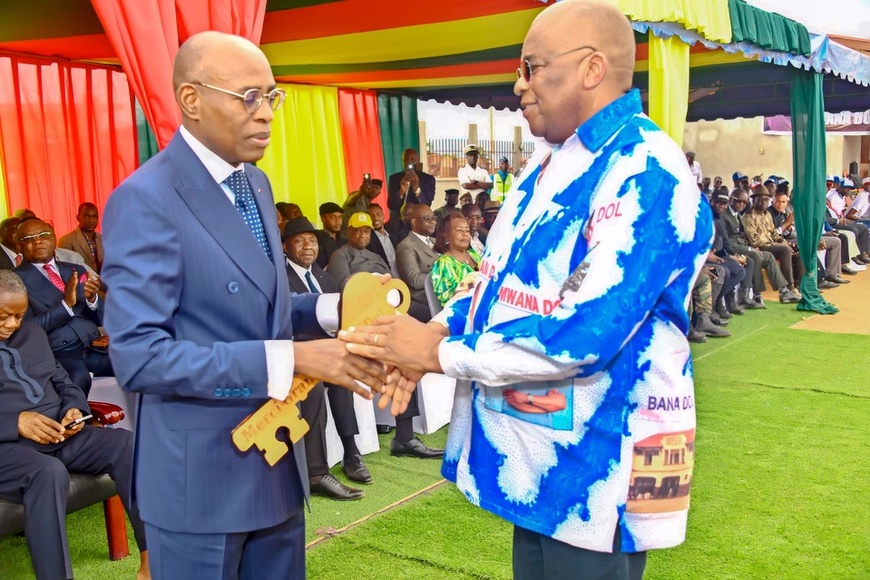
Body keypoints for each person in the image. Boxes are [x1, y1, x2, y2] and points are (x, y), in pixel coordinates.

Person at [340, 1, 712, 577]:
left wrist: (433, 353)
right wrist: (437, 328)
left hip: (597, 466)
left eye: (531, 67)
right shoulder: (549, 164)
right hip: (533, 456)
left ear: (591, 69)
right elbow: (494, 280)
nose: (518, 85)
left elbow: (583, 332)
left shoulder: (645, 170)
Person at [100, 31, 396, 580]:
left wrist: (335, 310)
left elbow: (262, 306)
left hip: (274, 463)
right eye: (249, 97)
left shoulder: (254, 183)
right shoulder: (145, 199)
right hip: (200, 484)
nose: (267, 114)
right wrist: (295, 360)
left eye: (272, 96)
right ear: (191, 100)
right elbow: (141, 357)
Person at [0, 270, 149, 580]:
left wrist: (74, 409)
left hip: (59, 435)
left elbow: (63, 381)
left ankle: (151, 561)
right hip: (9, 449)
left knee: (127, 444)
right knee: (47, 472)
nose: (12, 325)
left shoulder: (33, 335)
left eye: (18, 315)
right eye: (3, 317)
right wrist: (15, 422)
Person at [281, 217, 370, 498]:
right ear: (285, 246)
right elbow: (286, 323)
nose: (308, 247)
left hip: (332, 349)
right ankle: (317, 472)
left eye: (313, 241)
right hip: (300, 355)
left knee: (342, 374)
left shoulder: (323, 276)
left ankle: (351, 452)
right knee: (319, 382)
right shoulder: (278, 277)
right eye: (300, 241)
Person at [14, 218, 111, 396]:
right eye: (29, 238)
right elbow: (28, 329)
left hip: (93, 346)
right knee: (78, 377)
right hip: (58, 353)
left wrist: (92, 299)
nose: (37, 241)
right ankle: (77, 422)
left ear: (54, 238)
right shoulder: (15, 281)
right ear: (19, 246)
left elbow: (102, 318)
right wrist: (65, 305)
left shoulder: (75, 269)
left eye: (43, 235)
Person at [326, 212, 389, 289]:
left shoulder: (376, 257)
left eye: (366, 232)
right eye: (358, 231)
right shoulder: (340, 256)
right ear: (348, 232)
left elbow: (394, 280)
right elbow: (344, 289)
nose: (363, 235)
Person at [430, 212, 481, 306]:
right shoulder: (443, 263)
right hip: (465, 312)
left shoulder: (473, 254)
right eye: (459, 230)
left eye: (467, 231)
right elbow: (450, 299)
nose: (465, 234)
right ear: (445, 235)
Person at [387, 148, 437, 224]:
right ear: (402, 161)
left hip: (419, 222)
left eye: (412, 160)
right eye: (406, 160)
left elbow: (427, 204)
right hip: (398, 223)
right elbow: (391, 205)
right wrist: (401, 192)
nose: (409, 162)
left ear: (418, 161)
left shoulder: (428, 179)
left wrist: (416, 189)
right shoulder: (394, 178)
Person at [58, 202, 104, 273]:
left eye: (94, 216)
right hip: (81, 282)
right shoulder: (66, 241)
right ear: (78, 217)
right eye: (87, 216)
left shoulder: (102, 238)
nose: (91, 220)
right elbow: (67, 270)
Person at [315, 201, 346, 268]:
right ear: (322, 219)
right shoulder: (318, 241)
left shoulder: (344, 240)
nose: (337, 221)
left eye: (340, 217)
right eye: (332, 217)